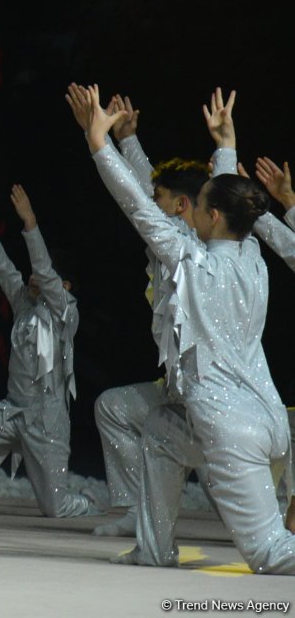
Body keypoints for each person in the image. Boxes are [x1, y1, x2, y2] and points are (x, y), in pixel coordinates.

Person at [76, 85, 295, 573]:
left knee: (272, 555)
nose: (187, 211)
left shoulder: (188, 259)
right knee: (159, 431)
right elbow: (232, 201)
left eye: (197, 206)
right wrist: (225, 145)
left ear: (209, 215)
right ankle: (154, 549)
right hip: (262, 417)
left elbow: (137, 205)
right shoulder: (253, 255)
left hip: (230, 427)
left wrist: (99, 144)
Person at [0, 182, 93, 519]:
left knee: (55, 508)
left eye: (47, 275)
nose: (36, 277)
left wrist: (30, 224)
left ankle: (86, 502)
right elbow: (2, 267)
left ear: (63, 286)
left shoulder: (65, 313)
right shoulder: (25, 303)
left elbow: (43, 270)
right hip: (12, 413)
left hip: (46, 423)